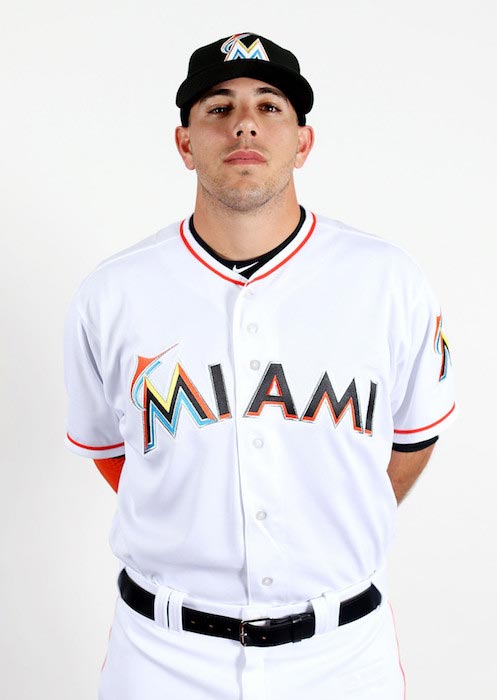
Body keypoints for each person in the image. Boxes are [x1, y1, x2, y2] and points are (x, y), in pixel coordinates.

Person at [64, 32, 456, 700]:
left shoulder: (387, 280)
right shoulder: (113, 292)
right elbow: (112, 453)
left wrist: (333, 522)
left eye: (269, 106)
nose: (244, 120)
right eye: (217, 107)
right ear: (184, 143)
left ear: (303, 141)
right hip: (162, 657)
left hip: (341, 655)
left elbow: (413, 441)